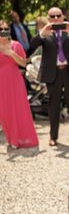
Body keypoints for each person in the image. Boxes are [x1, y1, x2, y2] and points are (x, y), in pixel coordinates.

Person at [30, 6, 69, 146]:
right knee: (53, 105)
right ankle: (53, 136)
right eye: (52, 16)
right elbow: (32, 45)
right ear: (48, 18)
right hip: (53, 73)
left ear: (63, 16)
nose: (56, 18)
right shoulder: (45, 34)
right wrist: (42, 34)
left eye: (58, 15)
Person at [0, 19, 38, 149]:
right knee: (5, 111)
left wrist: (11, 54)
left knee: (19, 108)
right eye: (1, 29)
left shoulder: (16, 45)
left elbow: (23, 63)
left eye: (6, 29)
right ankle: (11, 138)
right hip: (1, 83)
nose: (4, 31)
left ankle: (21, 139)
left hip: (15, 80)